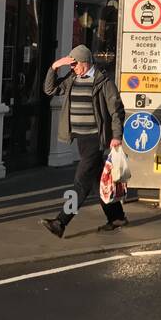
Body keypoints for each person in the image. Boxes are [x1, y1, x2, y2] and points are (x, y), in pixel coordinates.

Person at [40, 45, 126, 237]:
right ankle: (116, 217)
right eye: (70, 65)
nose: (72, 68)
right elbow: (49, 90)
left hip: (95, 139)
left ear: (85, 62)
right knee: (96, 181)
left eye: (75, 64)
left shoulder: (104, 82)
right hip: (81, 139)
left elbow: (117, 112)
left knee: (80, 183)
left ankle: (60, 222)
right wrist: (54, 67)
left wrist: (117, 137)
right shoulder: (72, 79)